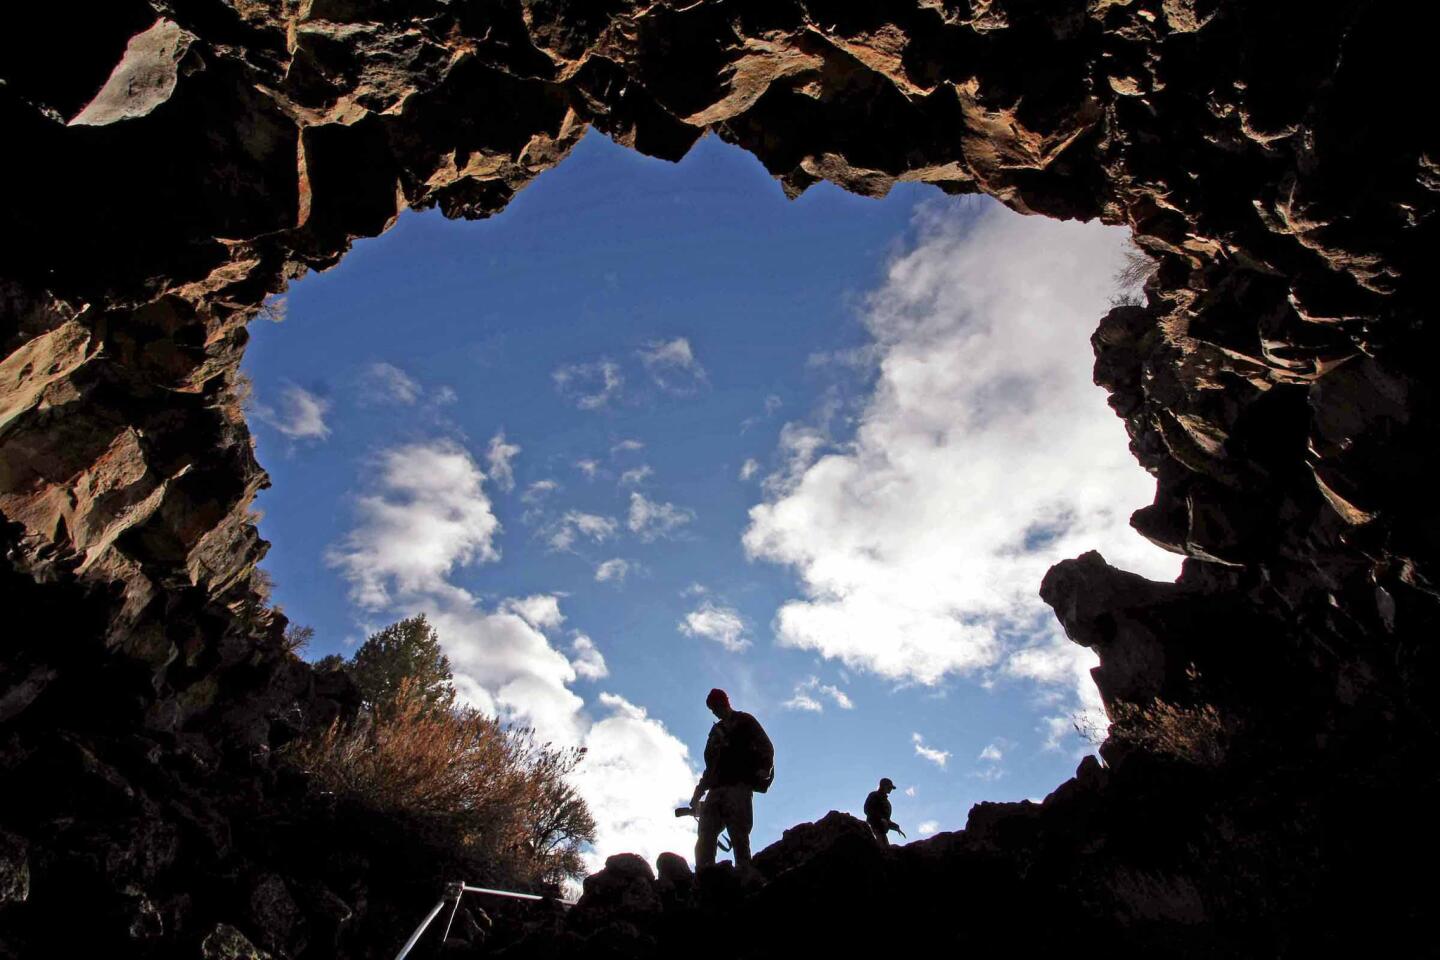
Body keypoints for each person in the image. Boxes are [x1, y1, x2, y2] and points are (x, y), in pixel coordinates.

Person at [690, 688, 774, 870]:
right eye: (712, 708)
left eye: (715, 706)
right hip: (716, 789)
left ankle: (744, 874)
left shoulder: (745, 721)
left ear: (724, 702)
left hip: (739, 786)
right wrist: (698, 794)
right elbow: (710, 767)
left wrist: (763, 770)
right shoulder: (715, 731)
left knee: (739, 836)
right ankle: (705, 875)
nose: (714, 711)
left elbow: (766, 747)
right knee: (705, 835)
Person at [863, 777, 904, 845]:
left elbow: (886, 820)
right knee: (881, 848)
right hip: (873, 826)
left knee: (886, 848)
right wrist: (880, 819)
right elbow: (867, 809)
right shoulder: (874, 795)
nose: (891, 789)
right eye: (889, 787)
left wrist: (896, 827)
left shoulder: (887, 803)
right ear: (883, 786)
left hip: (882, 830)